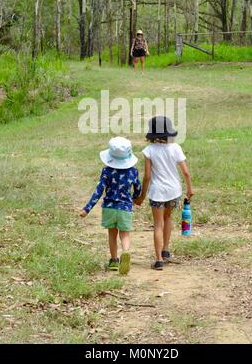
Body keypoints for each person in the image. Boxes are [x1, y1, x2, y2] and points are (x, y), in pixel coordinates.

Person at [135, 116, 194, 271]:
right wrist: (190, 189)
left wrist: (141, 196)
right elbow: (186, 172)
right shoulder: (175, 148)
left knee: (158, 225)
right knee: (168, 218)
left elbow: (147, 176)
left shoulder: (149, 151)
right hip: (174, 191)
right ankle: (165, 250)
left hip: (157, 192)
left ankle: (159, 260)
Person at [80, 136, 141, 275]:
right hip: (125, 207)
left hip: (109, 207)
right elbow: (138, 187)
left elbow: (99, 190)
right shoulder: (133, 171)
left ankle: (114, 261)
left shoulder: (106, 171)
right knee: (125, 235)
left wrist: (87, 209)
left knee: (112, 235)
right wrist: (136, 198)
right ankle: (126, 252)